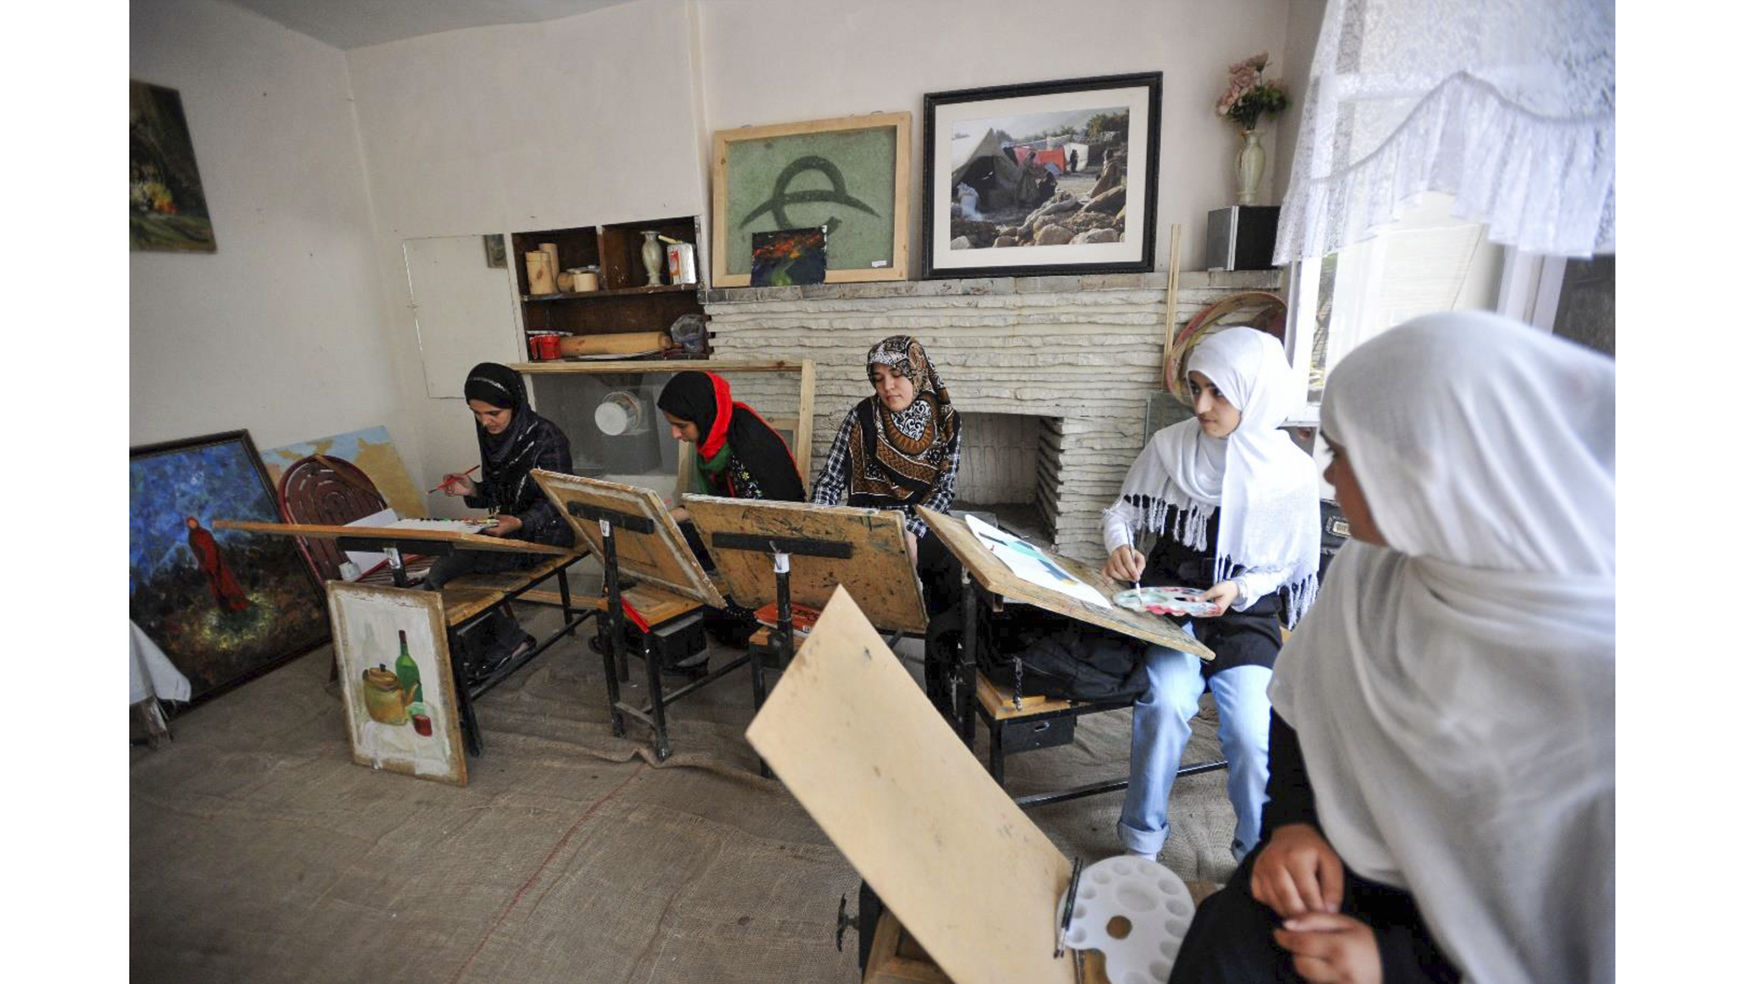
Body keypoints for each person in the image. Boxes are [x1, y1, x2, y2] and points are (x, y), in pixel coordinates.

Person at [1169, 312, 1615, 984]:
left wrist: (1395, 967)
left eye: (1343, 455)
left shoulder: (1604, 676)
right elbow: (1303, 708)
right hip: (1337, 867)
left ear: (1438, 471)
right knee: (1227, 941)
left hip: (1469, 953)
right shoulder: (1376, 566)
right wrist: (1293, 826)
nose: (1327, 479)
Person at [1101, 326, 1320, 865]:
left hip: (1245, 613)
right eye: (1196, 388)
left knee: (1251, 732)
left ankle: (1253, 857)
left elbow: (1290, 565)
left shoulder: (1292, 470)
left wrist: (1241, 586)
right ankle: (1142, 844)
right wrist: (1120, 547)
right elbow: (1121, 513)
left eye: (1218, 392)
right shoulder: (1170, 446)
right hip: (1172, 607)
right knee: (1165, 705)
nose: (1200, 406)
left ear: (1254, 392)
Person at [426, 363, 578, 674]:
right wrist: (472, 489)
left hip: (548, 533)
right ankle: (492, 644)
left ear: (515, 403)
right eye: (477, 414)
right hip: (509, 532)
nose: (485, 422)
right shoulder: (493, 436)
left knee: (455, 574)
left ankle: (508, 643)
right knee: (440, 573)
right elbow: (501, 493)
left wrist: (520, 522)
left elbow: (561, 502)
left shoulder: (548, 437)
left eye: (493, 413)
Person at [811, 335, 963, 618]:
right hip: (869, 519)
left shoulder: (946, 422)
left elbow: (943, 491)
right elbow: (830, 481)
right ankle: (856, 636)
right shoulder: (861, 416)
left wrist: (911, 531)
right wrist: (819, 523)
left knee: (948, 555)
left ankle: (942, 639)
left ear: (917, 372)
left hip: (922, 519)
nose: (887, 386)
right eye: (878, 379)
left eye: (896, 374)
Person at [656, 370, 807, 653]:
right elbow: (720, 504)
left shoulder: (746, 446)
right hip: (735, 531)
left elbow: (760, 522)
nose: (675, 434)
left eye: (681, 425)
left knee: (723, 616)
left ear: (701, 415)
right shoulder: (719, 433)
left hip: (774, 552)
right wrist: (667, 517)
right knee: (667, 541)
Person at [185, 516, 250, 613]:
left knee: (227, 582)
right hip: (207, 565)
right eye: (190, 523)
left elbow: (213, 546)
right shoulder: (191, 537)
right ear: (188, 525)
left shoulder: (205, 532)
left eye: (193, 522)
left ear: (196, 522)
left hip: (217, 561)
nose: (192, 524)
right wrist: (203, 564)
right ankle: (228, 609)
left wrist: (216, 559)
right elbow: (197, 552)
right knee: (216, 586)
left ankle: (239, 605)